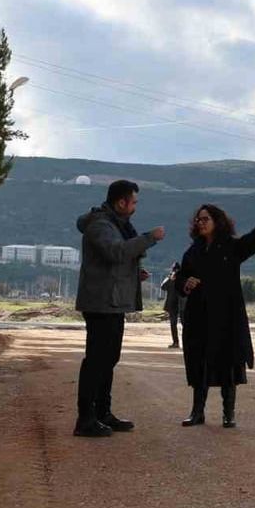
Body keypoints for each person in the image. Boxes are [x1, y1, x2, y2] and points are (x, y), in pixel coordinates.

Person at [72, 180, 165, 438]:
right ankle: (86, 418)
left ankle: (102, 413)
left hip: (112, 302)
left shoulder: (114, 224)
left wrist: (134, 273)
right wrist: (149, 238)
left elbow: (117, 260)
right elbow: (115, 252)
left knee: (108, 359)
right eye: (133, 202)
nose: (135, 207)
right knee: (96, 361)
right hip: (101, 303)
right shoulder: (101, 224)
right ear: (120, 202)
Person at [176, 205, 255, 428]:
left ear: (217, 221)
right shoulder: (192, 252)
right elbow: (180, 278)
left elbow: (251, 243)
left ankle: (228, 413)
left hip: (226, 316)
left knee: (228, 363)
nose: (200, 223)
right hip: (199, 316)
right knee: (199, 362)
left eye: (205, 219)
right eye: (198, 220)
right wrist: (185, 282)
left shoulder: (231, 246)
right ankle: (197, 413)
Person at [159, 261, 184, 348]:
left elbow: (163, 287)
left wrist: (170, 278)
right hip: (176, 305)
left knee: (180, 324)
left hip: (180, 304)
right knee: (175, 324)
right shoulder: (172, 279)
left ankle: (178, 342)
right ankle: (176, 342)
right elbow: (163, 287)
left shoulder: (182, 278)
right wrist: (170, 278)